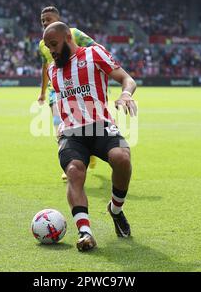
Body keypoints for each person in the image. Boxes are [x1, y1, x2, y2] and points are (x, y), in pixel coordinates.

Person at [43, 22, 137, 252]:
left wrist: (125, 95)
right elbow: (59, 99)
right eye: (48, 47)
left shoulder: (94, 53)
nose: (51, 51)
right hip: (71, 133)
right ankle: (85, 232)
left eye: (54, 45)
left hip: (100, 126)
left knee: (122, 158)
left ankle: (115, 210)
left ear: (68, 37)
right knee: (74, 171)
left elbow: (127, 79)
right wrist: (58, 122)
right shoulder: (52, 70)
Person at [37, 6, 98, 181]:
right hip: (55, 91)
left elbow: (95, 49)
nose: (45, 23)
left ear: (58, 19)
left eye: (48, 19)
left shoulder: (74, 34)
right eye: (43, 21)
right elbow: (45, 68)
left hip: (77, 88)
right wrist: (42, 92)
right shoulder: (42, 44)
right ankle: (69, 165)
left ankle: (90, 152)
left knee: (83, 126)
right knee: (60, 129)